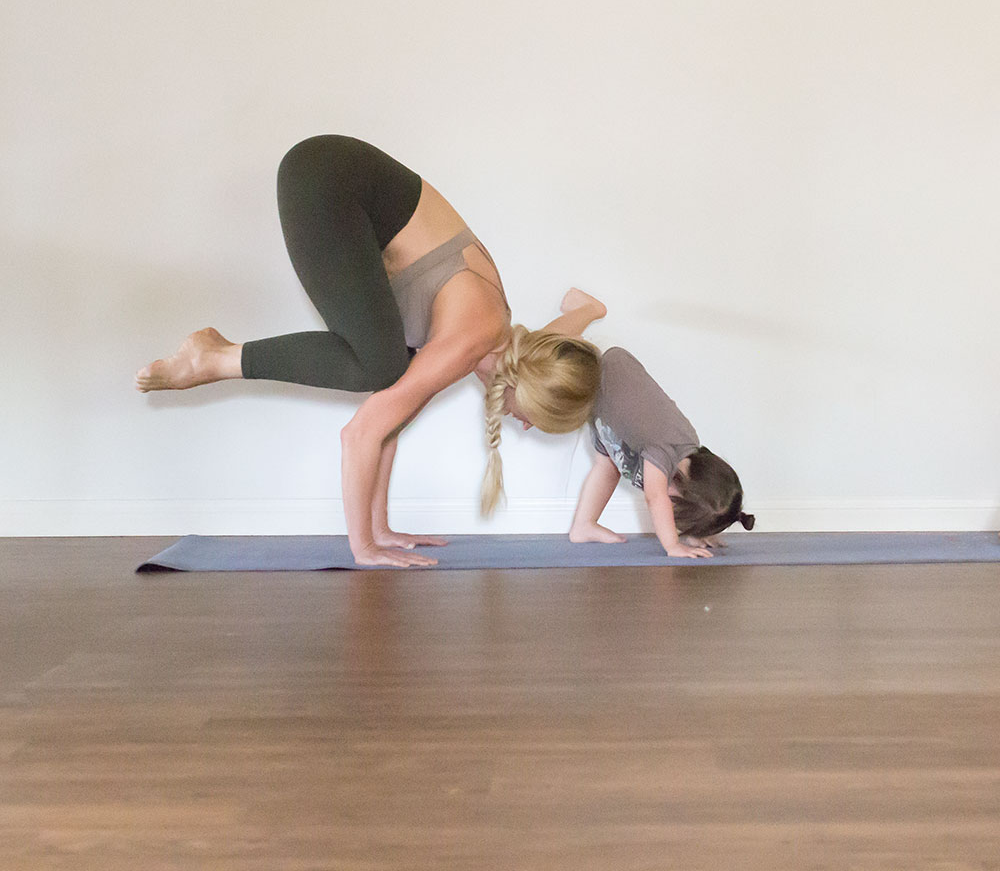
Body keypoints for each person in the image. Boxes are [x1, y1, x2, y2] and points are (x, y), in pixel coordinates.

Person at [136, 134, 602, 567]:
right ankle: (213, 357)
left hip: (337, 177)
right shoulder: (469, 341)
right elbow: (360, 433)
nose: (520, 423)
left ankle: (372, 525)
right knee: (378, 366)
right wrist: (363, 548)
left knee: (389, 372)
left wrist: (381, 530)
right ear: (524, 385)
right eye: (531, 417)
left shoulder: (513, 342)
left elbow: (393, 418)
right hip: (327, 180)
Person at [567, 343, 754, 558]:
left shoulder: (686, 452)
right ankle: (587, 309)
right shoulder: (665, 449)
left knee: (607, 467)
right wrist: (673, 545)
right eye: (676, 508)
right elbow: (655, 498)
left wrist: (698, 533)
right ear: (685, 484)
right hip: (603, 381)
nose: (670, 509)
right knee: (607, 467)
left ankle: (583, 525)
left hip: (612, 418)